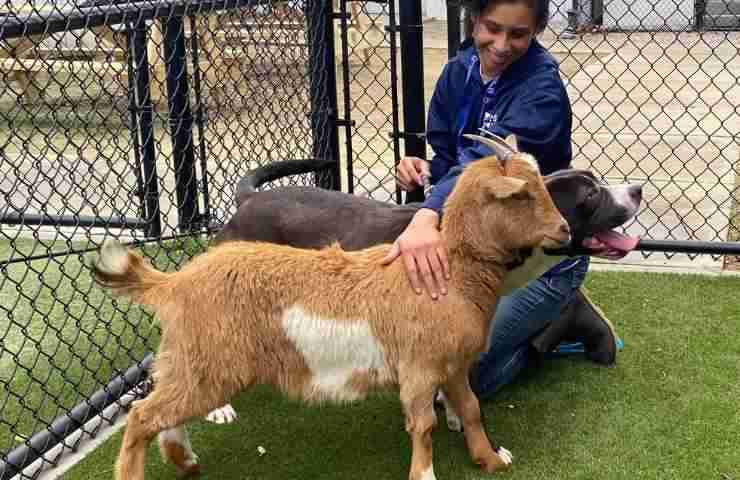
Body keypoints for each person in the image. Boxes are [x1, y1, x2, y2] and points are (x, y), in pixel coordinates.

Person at [381, 0, 620, 399]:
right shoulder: (459, 71)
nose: (502, 44)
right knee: (424, 358)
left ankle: (563, 316)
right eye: (492, 27)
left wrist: (425, 215)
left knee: (457, 385)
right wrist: (422, 168)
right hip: (481, 247)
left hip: (539, 259)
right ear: (475, 20)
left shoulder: (542, 90)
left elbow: (484, 165)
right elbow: (447, 156)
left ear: (537, 31)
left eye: (519, 34)